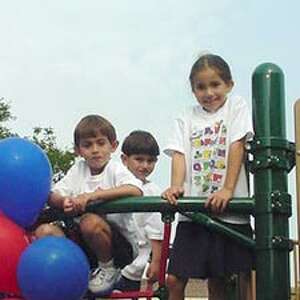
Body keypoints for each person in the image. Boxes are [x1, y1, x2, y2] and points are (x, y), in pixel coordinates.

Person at [162, 54, 254, 300]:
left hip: (230, 213)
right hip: (194, 213)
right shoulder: (186, 117)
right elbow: (179, 154)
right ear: (193, 90)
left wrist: (227, 189)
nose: (209, 92)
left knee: (221, 280)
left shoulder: (236, 106)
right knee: (174, 278)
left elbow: (237, 144)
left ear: (229, 85)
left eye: (215, 85)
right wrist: (176, 186)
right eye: (201, 87)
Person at [35, 114, 143, 296]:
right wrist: (64, 201)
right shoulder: (78, 170)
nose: (95, 150)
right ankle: (68, 272)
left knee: (89, 221)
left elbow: (135, 189)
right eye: (87, 145)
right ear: (78, 150)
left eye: (101, 143)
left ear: (113, 146)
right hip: (84, 244)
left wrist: (93, 196)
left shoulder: (115, 169)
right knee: (44, 231)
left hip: (118, 246)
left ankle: (108, 268)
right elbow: (53, 193)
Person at [113, 130, 164, 291]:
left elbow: (156, 231)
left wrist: (156, 261)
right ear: (124, 159)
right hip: (108, 259)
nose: (145, 166)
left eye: (150, 161)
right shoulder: (113, 185)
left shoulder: (152, 191)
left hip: (134, 264)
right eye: (139, 159)